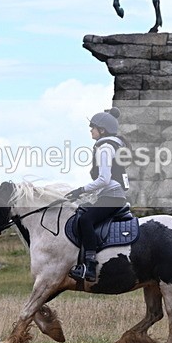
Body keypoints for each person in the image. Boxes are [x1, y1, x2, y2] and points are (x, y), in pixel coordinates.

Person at [64, 108, 130, 282]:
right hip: (112, 195)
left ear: (103, 130)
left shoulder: (105, 148)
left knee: (86, 220)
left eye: (93, 127)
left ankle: (90, 266)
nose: (91, 130)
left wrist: (81, 190)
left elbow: (104, 179)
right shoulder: (113, 145)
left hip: (112, 196)